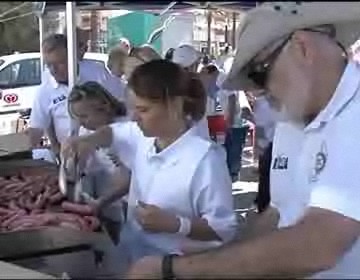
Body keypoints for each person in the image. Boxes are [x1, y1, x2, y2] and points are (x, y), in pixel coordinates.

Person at [126, 2, 360, 279]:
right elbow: (276, 213)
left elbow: (319, 243)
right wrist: (221, 258)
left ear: (302, 48)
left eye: (260, 73)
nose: (260, 92)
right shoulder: (293, 118)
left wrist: (175, 269)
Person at [61, 60, 238, 275]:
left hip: (173, 268)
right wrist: (88, 141)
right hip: (132, 251)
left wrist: (176, 224)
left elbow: (224, 229)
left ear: (174, 105)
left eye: (143, 109)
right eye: (133, 108)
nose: (134, 117)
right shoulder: (144, 137)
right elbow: (113, 133)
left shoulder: (205, 160)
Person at [27, 33, 127, 159]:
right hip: (71, 156)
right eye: (49, 65)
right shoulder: (44, 91)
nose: (53, 70)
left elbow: (123, 103)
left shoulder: (98, 74)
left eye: (60, 63)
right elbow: (36, 129)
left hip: (111, 152)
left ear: (73, 57)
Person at [172, 44, 211, 140]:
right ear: (193, 65)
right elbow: (198, 114)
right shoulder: (196, 83)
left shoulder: (168, 82)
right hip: (196, 137)